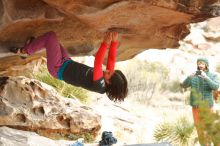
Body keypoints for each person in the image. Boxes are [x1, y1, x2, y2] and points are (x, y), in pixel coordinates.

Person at [11, 31, 128, 102]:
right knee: (54, 42)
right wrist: (114, 42)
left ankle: (24, 51)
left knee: (50, 37)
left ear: (109, 82)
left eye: (109, 73)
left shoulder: (100, 85)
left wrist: (105, 43)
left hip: (57, 68)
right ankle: (33, 44)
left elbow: (98, 61)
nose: (107, 70)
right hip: (67, 62)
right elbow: (112, 59)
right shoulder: (108, 78)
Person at [181, 57, 219, 146]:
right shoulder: (193, 76)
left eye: (202, 63)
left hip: (207, 107)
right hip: (196, 107)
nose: (200, 65)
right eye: (199, 64)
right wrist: (189, 77)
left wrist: (205, 77)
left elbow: (215, 87)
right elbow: (183, 85)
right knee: (200, 130)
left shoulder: (213, 75)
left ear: (206, 65)